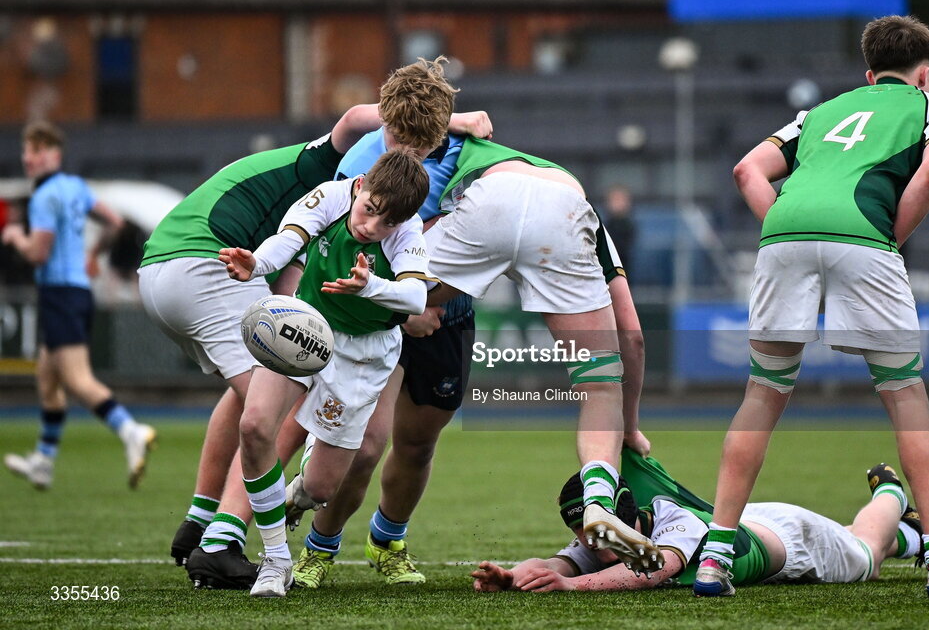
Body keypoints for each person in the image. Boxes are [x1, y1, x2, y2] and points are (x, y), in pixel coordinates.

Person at [136, 56, 488, 575]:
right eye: (397, 137)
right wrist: (277, 279)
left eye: (420, 142)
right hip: (273, 290)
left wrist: (387, 294)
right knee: (265, 408)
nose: (406, 153)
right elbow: (295, 247)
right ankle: (228, 537)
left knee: (361, 454)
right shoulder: (348, 171)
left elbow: (417, 291)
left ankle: (224, 515)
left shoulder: (460, 162)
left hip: (386, 334)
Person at [694, 16, 929, 599]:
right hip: (864, 236)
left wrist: (789, 227)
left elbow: (747, 170)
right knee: (904, 395)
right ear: (926, 74)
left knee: (762, 393)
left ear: (868, 73)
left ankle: (714, 557)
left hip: (782, 234)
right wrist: (892, 236)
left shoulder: (820, 112)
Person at [282, 128, 653, 589]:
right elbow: (632, 338)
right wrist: (629, 424)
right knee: (599, 383)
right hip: (561, 218)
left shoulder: (461, 144)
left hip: (486, 215)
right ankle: (599, 495)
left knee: (411, 431)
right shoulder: (580, 205)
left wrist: (411, 301)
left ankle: (373, 535)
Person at [217, 148, 433, 597]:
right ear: (360, 187)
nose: (371, 227)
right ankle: (276, 561)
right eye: (370, 210)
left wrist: (369, 286)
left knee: (320, 489)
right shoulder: (331, 196)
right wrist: (255, 263)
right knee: (255, 426)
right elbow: (289, 239)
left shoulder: (406, 229)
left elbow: (414, 298)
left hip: (363, 356)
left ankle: (298, 493)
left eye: (386, 223)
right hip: (305, 326)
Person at [470, 450, 929, 595]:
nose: (592, 548)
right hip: (749, 524)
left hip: (795, 540)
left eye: (600, 537)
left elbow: (651, 569)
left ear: (632, 521)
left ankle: (889, 494)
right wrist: (517, 574)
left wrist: (568, 586)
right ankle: (910, 532)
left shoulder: (670, 524)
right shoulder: (610, 534)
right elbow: (561, 560)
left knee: (867, 552)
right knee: (875, 556)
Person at [2, 121, 156, 490]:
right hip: (78, 292)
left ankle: (131, 430)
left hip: (59, 293)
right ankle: (43, 459)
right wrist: (93, 252)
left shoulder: (43, 197)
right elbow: (116, 223)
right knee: (46, 375)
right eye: (26, 151)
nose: (29, 158)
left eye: (37, 151)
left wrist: (15, 237)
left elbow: (38, 253)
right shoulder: (75, 187)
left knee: (76, 379)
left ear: (54, 154)